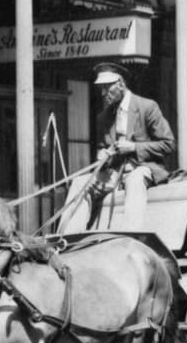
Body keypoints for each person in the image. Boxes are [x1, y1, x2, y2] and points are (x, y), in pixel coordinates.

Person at [61, 62, 174, 232]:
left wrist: (134, 147)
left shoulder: (147, 107)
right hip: (114, 174)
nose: (103, 93)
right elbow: (103, 147)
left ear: (121, 84)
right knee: (80, 182)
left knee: (134, 180)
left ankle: (129, 237)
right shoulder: (103, 117)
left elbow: (168, 144)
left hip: (143, 169)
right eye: (101, 88)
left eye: (107, 87)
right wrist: (102, 156)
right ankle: (67, 239)